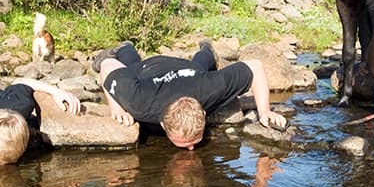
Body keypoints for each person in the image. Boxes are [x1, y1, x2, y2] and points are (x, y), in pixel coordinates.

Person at [93, 40, 288, 150]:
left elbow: (255, 67)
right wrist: (117, 107)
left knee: (200, 66)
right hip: (148, 71)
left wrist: (264, 112)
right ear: (163, 125)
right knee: (133, 66)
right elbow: (107, 65)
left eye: (195, 141)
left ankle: (207, 49)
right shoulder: (139, 100)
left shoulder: (210, 89)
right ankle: (125, 48)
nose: (191, 149)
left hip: (189, 71)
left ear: (203, 112)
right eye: (185, 144)